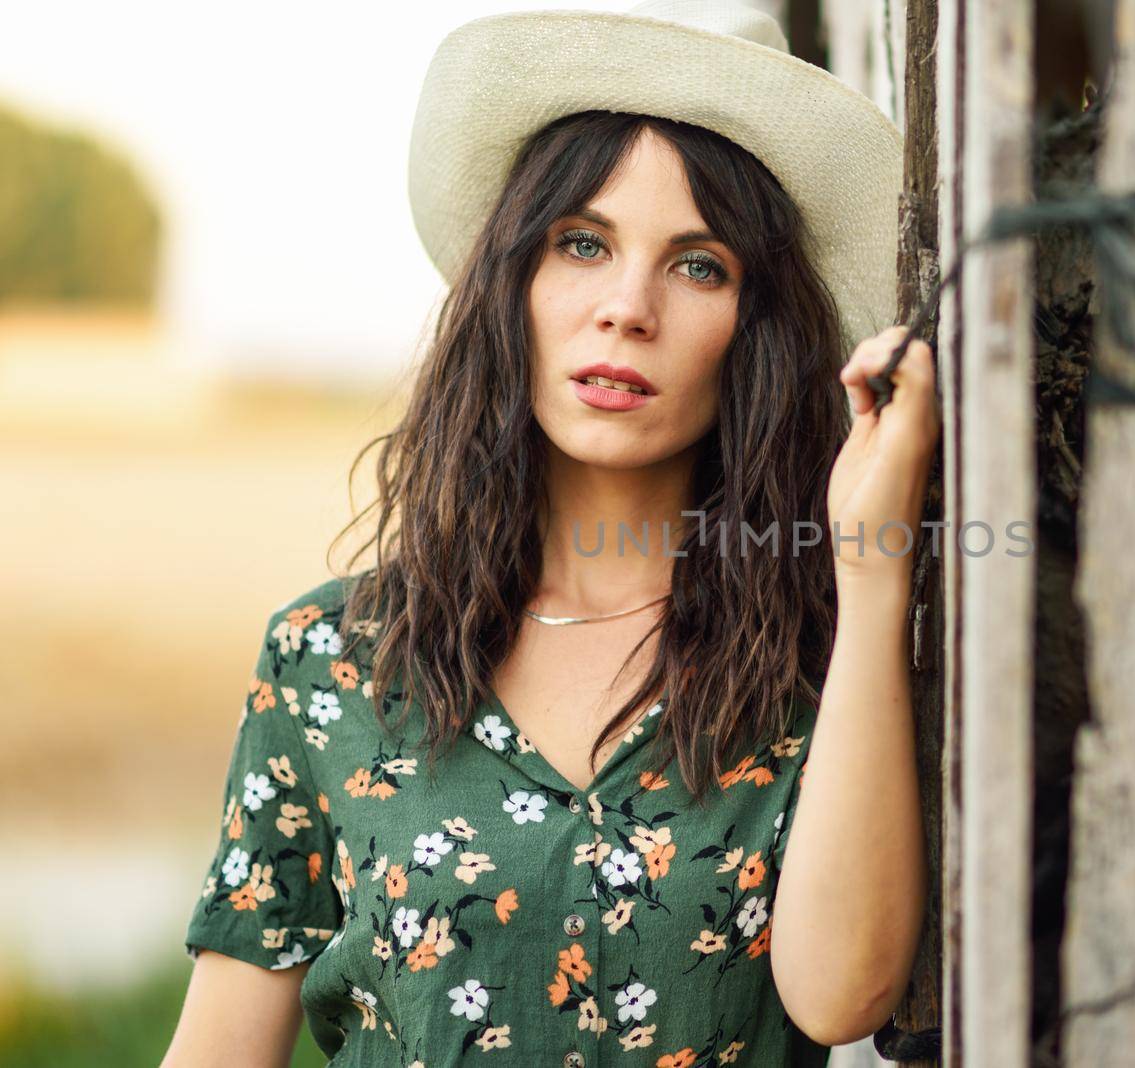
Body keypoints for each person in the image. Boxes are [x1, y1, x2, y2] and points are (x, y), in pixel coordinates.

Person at [160, 1, 936, 1065]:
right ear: (513, 280)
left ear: (756, 334)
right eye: (582, 243)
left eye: (698, 264)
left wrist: (870, 570)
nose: (627, 306)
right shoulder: (328, 663)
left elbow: (842, 993)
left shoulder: (818, 658)